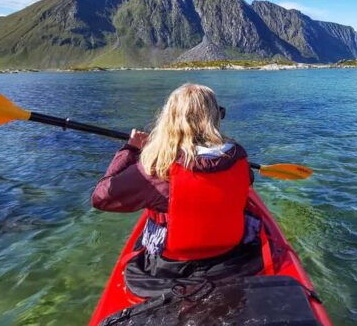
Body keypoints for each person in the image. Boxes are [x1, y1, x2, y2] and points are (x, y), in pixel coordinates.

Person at [92, 83, 262, 297]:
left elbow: (101, 197)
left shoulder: (156, 170)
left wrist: (131, 149)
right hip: (233, 259)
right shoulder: (239, 157)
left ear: (169, 121)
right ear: (214, 117)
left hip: (172, 269)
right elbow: (246, 180)